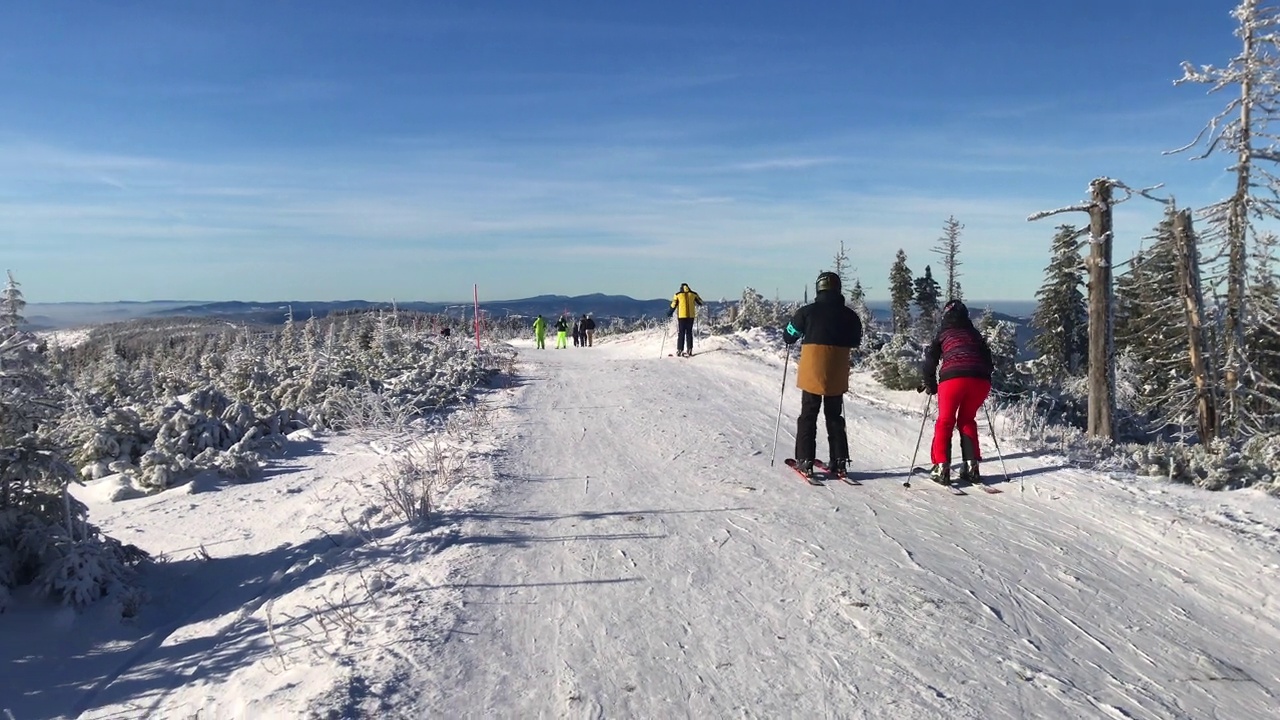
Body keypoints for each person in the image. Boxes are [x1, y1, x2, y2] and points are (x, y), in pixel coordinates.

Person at [782, 271, 863, 478]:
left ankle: (805, 459)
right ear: (837, 289)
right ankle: (840, 460)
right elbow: (855, 340)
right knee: (834, 415)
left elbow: (789, 335)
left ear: (819, 288)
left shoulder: (807, 312)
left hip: (813, 369)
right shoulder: (850, 315)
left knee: (809, 414)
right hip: (837, 369)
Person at [920, 299, 995, 485]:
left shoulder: (943, 333)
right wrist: (982, 375)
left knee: (945, 421)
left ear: (946, 315)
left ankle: (941, 467)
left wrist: (930, 383)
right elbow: (988, 360)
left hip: (953, 379)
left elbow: (930, 360)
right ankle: (971, 466)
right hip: (980, 381)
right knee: (967, 419)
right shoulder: (975, 334)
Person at [668, 282, 704, 357]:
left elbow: (673, 304)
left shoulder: (678, 295)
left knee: (681, 333)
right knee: (689, 332)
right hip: (691, 316)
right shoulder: (693, 294)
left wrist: (670, 312)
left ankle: (680, 350)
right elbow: (700, 302)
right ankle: (689, 349)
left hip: (681, 316)